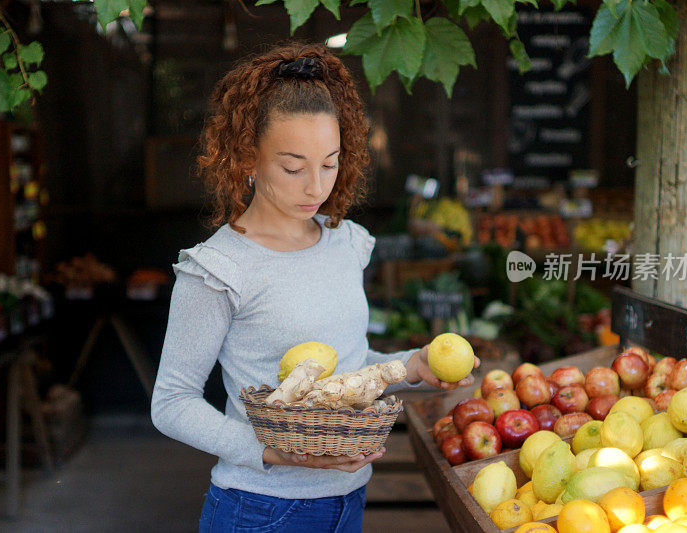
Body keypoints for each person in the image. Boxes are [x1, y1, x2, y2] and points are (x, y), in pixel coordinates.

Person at [150, 43, 479, 533]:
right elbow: (171, 403)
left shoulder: (346, 244)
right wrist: (271, 452)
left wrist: (410, 365)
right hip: (258, 509)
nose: (315, 187)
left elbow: (341, 370)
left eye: (329, 163)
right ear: (247, 156)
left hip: (348, 502)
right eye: (292, 167)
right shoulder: (218, 269)